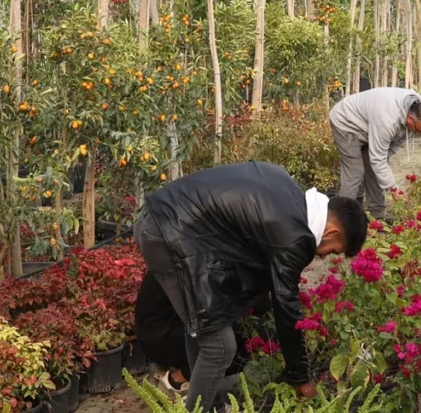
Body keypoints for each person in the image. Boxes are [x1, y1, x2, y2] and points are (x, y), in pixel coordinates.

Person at [134, 161, 368, 413]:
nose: (322, 257)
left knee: (205, 330)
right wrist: (300, 377)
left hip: (162, 220)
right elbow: (286, 309)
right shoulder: (295, 237)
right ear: (332, 232)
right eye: (331, 251)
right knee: (220, 347)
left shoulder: (286, 187)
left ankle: (208, 405)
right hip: (167, 235)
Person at [134, 271, 273, 394]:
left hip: (161, 330)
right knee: (244, 341)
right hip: (162, 337)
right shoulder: (209, 256)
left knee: (252, 331)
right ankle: (176, 381)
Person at [329, 87, 421, 220]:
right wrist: (393, 189)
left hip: (369, 125)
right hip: (346, 122)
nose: (420, 134)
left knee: (375, 169)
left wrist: (384, 165)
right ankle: (342, 220)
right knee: (355, 172)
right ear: (410, 118)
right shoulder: (387, 120)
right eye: (419, 130)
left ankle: (377, 216)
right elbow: (378, 160)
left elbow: (393, 145)